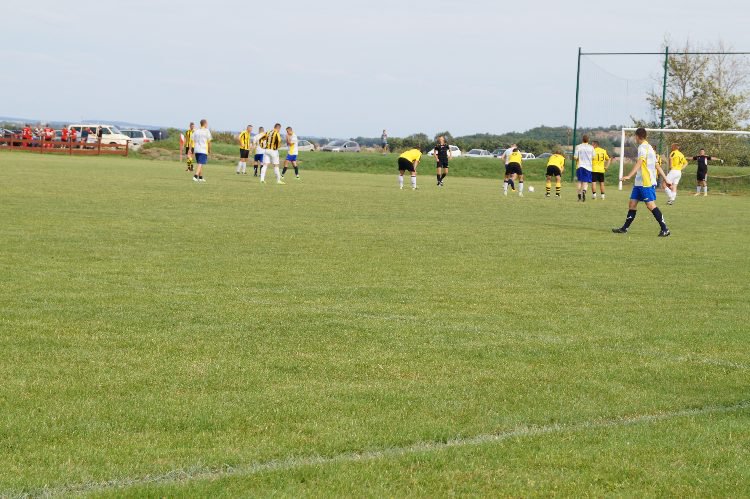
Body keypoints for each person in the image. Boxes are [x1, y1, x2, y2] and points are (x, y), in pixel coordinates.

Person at [612, 128, 671, 237]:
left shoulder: (642, 147)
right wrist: (666, 179)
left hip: (646, 182)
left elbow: (640, 162)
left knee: (650, 205)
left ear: (637, 136)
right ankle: (624, 228)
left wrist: (629, 175)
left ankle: (665, 229)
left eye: (635, 136)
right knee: (632, 204)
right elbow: (657, 165)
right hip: (639, 182)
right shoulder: (650, 147)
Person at [574, 134, 594, 202]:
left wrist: (578, 159)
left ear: (582, 139)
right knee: (585, 182)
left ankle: (579, 195)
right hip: (588, 167)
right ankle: (584, 191)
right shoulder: (591, 147)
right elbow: (593, 157)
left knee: (579, 181)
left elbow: (575, 157)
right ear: (588, 140)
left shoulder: (578, 146)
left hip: (580, 166)